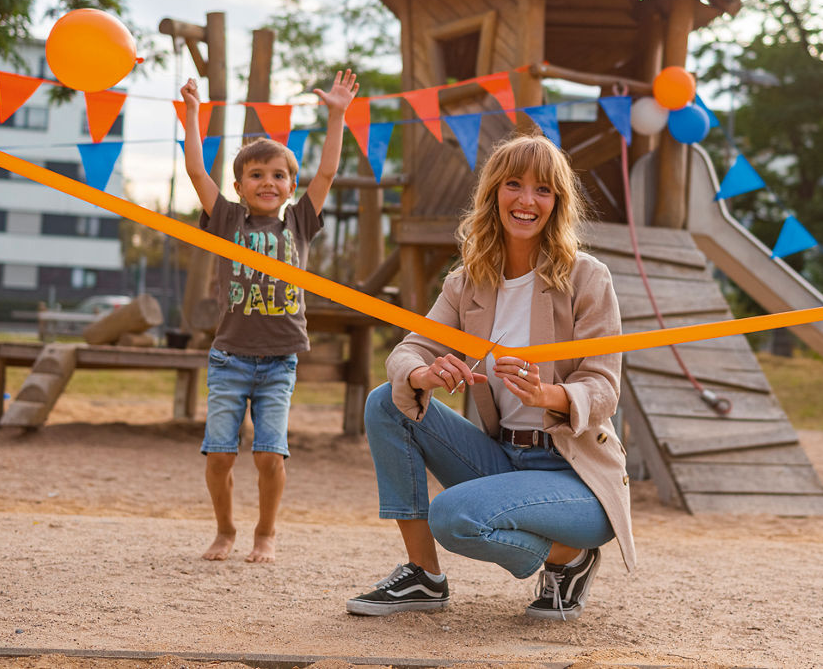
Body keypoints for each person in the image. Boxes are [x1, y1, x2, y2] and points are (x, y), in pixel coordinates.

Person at [347, 133, 633, 621]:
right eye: (514, 185)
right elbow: (409, 349)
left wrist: (552, 394)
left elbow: (604, 386)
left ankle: (571, 557)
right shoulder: (467, 281)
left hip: (574, 477)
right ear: (493, 194)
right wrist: (423, 372)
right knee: (385, 401)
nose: (526, 200)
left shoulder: (588, 277)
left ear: (557, 203)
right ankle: (424, 577)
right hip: (502, 459)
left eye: (543, 190)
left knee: (453, 515)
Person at [181, 69, 358, 563]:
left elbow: (326, 174)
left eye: (278, 175)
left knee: (268, 453)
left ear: (289, 185)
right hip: (229, 358)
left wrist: (337, 115)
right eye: (256, 175)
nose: (268, 182)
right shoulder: (227, 220)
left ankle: (266, 533)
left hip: (279, 361)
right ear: (239, 186)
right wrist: (194, 114)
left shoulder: (300, 222)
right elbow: (198, 172)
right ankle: (224, 530)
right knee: (219, 454)